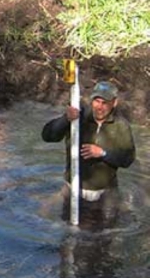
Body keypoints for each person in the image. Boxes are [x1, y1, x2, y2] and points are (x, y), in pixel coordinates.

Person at [42, 81, 135, 223]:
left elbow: (127, 159)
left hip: (105, 194)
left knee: (103, 238)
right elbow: (47, 136)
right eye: (97, 101)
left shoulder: (121, 126)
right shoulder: (77, 117)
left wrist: (103, 153)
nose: (100, 107)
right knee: (70, 235)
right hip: (73, 190)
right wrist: (65, 119)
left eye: (105, 102)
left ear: (114, 103)